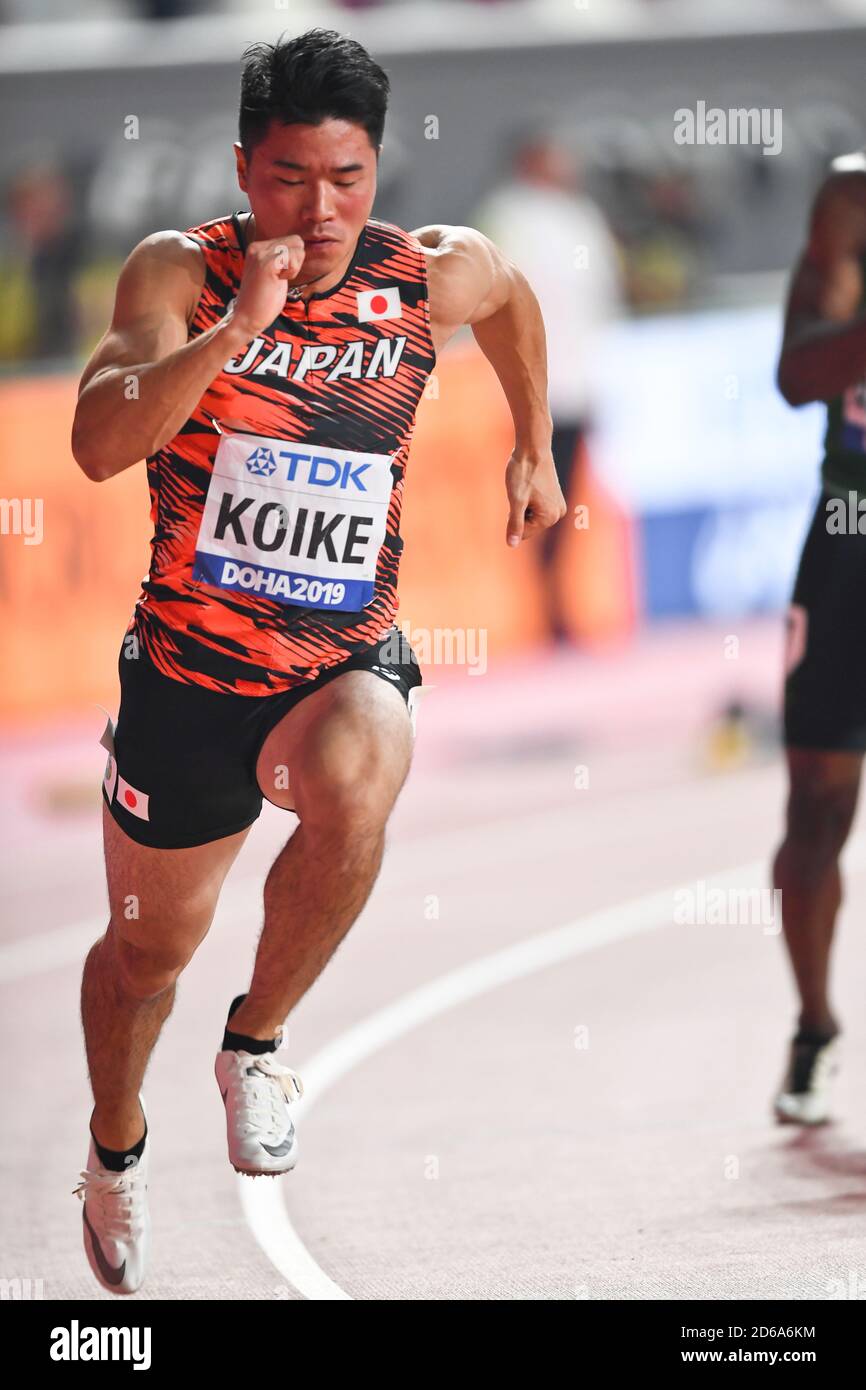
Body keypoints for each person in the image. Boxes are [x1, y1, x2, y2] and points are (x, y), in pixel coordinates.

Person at [69, 27, 565, 1295]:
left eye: (348, 176)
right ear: (246, 168)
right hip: (186, 681)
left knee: (367, 760)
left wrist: (533, 446)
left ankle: (258, 1043)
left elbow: (509, 296)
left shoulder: (422, 276)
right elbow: (95, 442)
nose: (323, 207)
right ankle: (115, 1150)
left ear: (376, 165)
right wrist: (237, 330)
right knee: (143, 963)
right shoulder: (179, 273)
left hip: (334, 662)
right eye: (292, 177)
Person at [772, 150, 866, 1126]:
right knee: (815, 804)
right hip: (851, 536)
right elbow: (795, 373)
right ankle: (812, 1023)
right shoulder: (852, 198)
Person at [474, 129, 621, 643]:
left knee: (569, 493)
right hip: (532, 387)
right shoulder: (510, 217)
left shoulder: (580, 214)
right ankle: (542, 604)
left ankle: (557, 601)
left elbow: (600, 294)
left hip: (578, 380)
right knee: (535, 495)